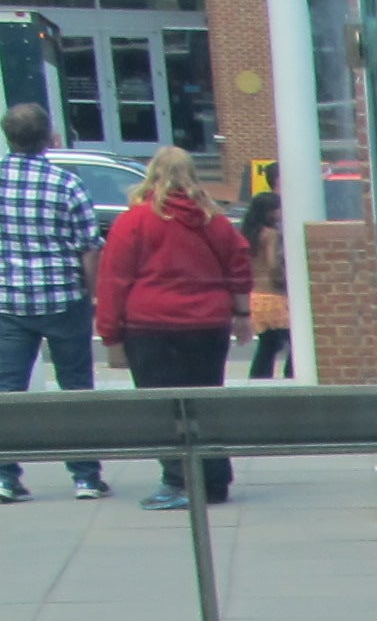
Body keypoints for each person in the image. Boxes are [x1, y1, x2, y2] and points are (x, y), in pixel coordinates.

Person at [93, 143, 251, 511]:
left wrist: (110, 335)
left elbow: (114, 280)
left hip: (151, 326)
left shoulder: (134, 221)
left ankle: (178, 480)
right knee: (204, 401)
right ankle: (214, 479)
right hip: (207, 324)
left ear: (152, 175)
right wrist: (242, 315)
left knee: (164, 408)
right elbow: (238, 264)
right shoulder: (215, 220)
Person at [0, 100, 108, 501]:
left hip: (9, 302)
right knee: (76, 388)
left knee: (7, 391)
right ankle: (84, 476)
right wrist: (93, 295)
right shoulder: (67, 183)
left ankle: (5, 476)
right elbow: (88, 247)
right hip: (64, 299)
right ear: (48, 138)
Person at [241, 187, 291, 379]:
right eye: (278, 208)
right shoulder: (271, 234)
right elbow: (273, 264)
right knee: (292, 344)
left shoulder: (250, 233)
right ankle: (290, 376)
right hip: (274, 296)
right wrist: (284, 280)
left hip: (255, 295)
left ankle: (259, 378)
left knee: (267, 344)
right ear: (269, 211)